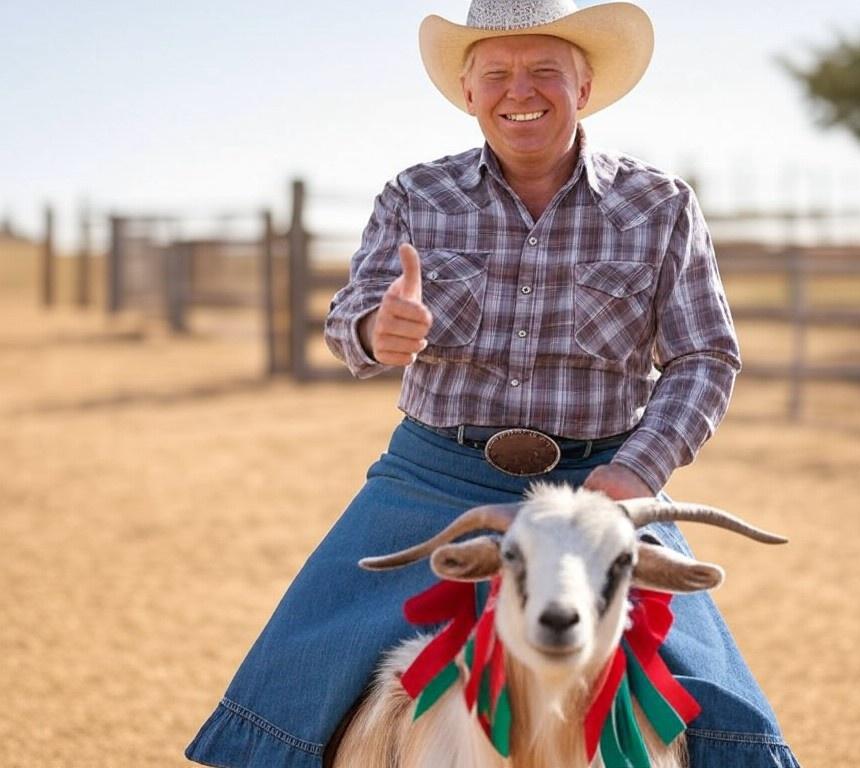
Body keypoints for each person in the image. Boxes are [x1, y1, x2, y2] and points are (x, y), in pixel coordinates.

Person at [185, 1, 801, 766]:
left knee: (722, 711)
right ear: (470, 92)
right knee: (291, 677)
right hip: (432, 476)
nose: (523, 90)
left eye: (546, 70)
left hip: (597, 491)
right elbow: (349, 321)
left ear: (584, 83)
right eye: (498, 73)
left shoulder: (660, 206)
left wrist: (640, 469)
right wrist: (381, 330)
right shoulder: (415, 195)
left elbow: (706, 356)